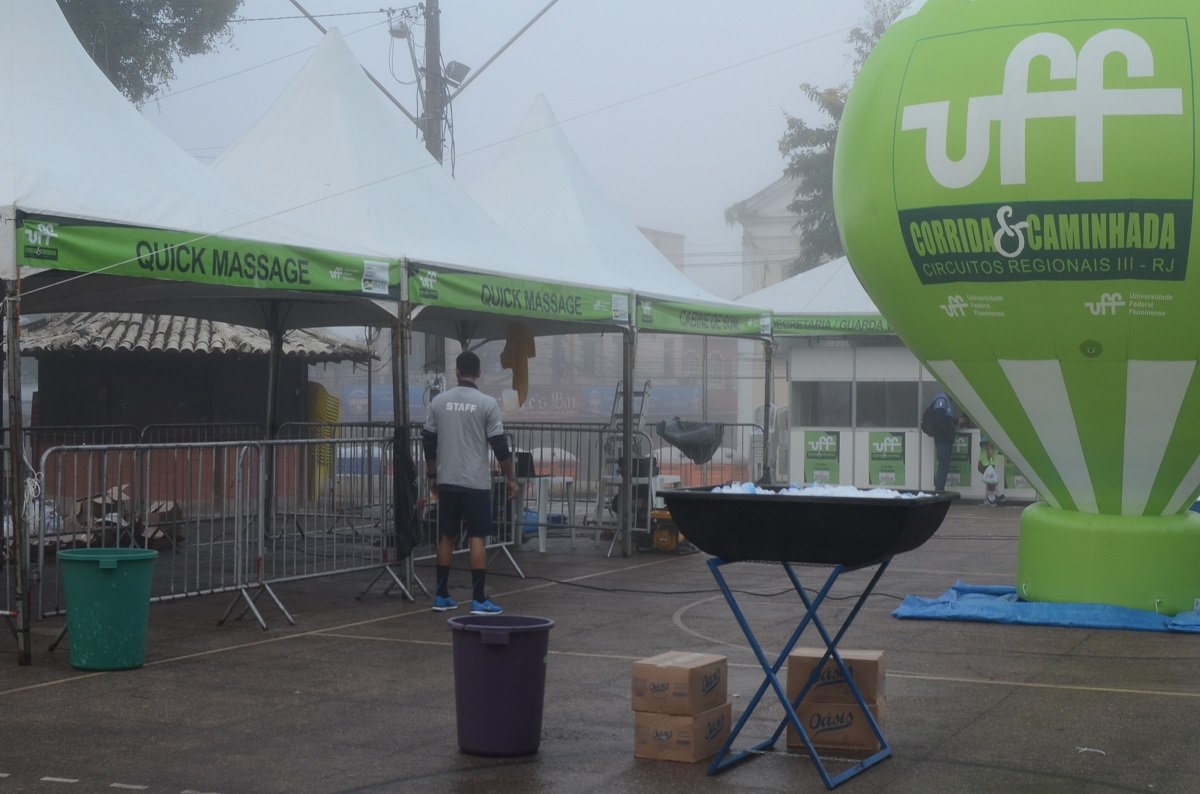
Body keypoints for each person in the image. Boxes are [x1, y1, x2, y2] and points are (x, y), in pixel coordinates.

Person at [423, 351, 519, 615]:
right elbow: (500, 446)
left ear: (456, 371)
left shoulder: (438, 402)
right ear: (479, 373)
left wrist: (432, 476)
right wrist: (510, 479)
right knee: (477, 537)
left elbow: (428, 442)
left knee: (447, 537)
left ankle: (441, 595)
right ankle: (478, 599)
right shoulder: (486, 403)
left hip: (448, 480)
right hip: (475, 483)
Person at [928, 391, 957, 492]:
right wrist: (947, 435)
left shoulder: (946, 401)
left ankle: (940, 489)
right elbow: (939, 420)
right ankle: (939, 490)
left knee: (944, 464)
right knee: (943, 464)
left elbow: (946, 421)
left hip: (944, 439)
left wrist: (956, 422)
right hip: (942, 440)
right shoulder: (942, 400)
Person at [978, 433, 1006, 506]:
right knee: (984, 469)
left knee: (987, 471)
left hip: (988, 445)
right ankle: (998, 494)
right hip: (987, 444)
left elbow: (989, 428)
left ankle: (991, 499)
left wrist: (989, 446)